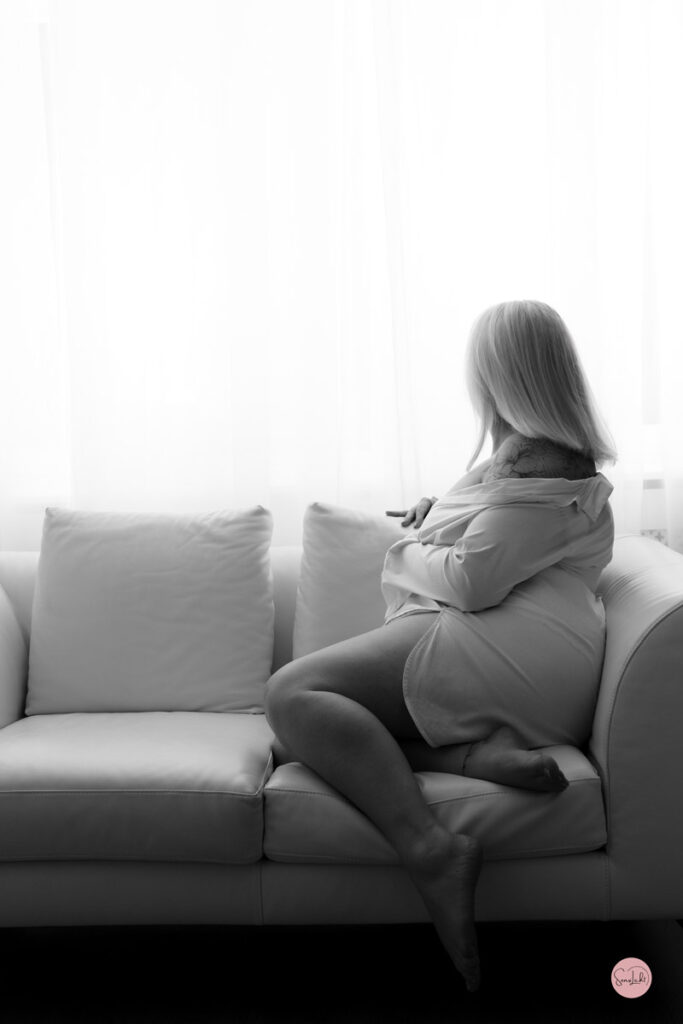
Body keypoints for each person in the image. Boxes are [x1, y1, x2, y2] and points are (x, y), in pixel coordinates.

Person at [264, 299, 616, 994]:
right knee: (305, 740)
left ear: (501, 376)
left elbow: (473, 579)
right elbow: (491, 537)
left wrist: (409, 543)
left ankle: (430, 848)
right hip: (521, 645)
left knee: (291, 696)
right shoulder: (528, 458)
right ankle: (466, 756)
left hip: (509, 646)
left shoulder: (543, 474)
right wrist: (438, 514)